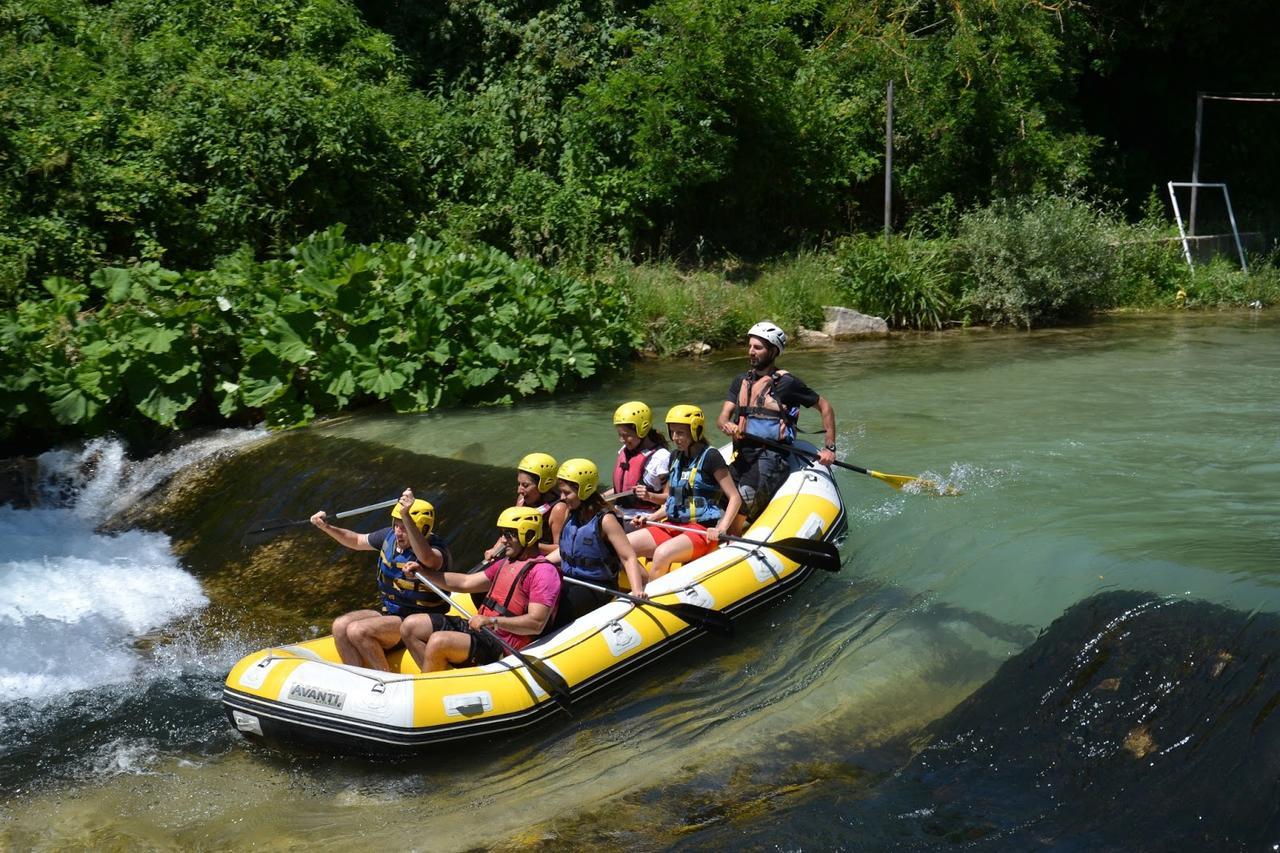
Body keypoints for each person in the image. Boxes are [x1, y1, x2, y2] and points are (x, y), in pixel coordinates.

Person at [402, 507, 562, 672]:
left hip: (502, 642)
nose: (503, 540)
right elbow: (465, 582)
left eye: (509, 534)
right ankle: (437, 680)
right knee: (410, 626)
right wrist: (424, 573)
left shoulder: (543, 572)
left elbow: (536, 623)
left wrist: (492, 621)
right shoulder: (506, 563)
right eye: (502, 533)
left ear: (528, 536)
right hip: (482, 630)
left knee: (438, 641)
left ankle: (431, 691)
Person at [309, 489, 451, 671]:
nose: (399, 532)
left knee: (358, 630)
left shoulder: (437, 550)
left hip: (420, 623)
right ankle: (358, 678)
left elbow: (427, 559)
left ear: (422, 528)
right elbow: (357, 540)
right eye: (397, 525)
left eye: (405, 527)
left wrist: (406, 515)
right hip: (392, 615)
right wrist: (327, 527)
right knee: (340, 625)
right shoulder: (389, 537)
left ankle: (384, 680)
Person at [716, 321, 838, 520]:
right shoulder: (740, 381)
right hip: (742, 454)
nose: (751, 351)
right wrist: (726, 424)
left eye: (758, 347)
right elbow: (722, 417)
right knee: (715, 495)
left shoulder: (787, 383)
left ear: (773, 352)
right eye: (750, 346)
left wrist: (829, 448)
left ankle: (733, 535)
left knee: (744, 498)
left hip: (771, 457)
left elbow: (825, 407)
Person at [630, 405, 743, 579]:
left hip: (701, 530)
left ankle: (651, 596)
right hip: (674, 524)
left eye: (681, 433)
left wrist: (721, 527)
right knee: (625, 545)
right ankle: (645, 585)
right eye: (672, 432)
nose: (675, 438)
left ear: (695, 430)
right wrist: (651, 518)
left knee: (661, 553)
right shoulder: (675, 456)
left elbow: (735, 498)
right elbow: (672, 500)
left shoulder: (711, 457)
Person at [547, 458, 648, 622]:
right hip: (569, 578)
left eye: (567, 493)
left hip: (598, 586)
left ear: (584, 490)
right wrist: (538, 563)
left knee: (560, 608)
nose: (562, 497)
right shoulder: (571, 513)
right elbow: (566, 550)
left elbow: (627, 557)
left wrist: (636, 591)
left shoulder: (606, 520)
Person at [482, 452, 567, 560]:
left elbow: (560, 549)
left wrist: (527, 544)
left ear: (544, 484)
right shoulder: (522, 500)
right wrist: (495, 549)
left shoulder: (558, 509)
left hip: (544, 562)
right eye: (519, 484)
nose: (519, 490)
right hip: (522, 554)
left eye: (525, 485)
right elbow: (509, 531)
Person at [609, 401, 671, 530]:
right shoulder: (625, 450)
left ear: (642, 430)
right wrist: (602, 497)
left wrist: (649, 496)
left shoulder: (661, 457)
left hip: (642, 518)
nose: (622, 440)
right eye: (620, 435)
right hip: (619, 514)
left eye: (626, 435)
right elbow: (623, 490)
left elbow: (670, 498)